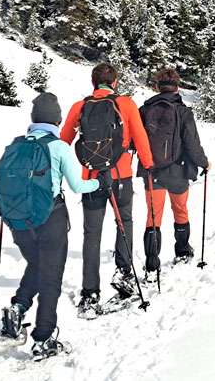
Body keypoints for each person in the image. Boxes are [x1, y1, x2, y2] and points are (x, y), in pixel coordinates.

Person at [0, 93, 106, 360]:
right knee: (51, 277)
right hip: (51, 218)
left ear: (34, 119)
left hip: (19, 220)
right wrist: (100, 183)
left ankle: (19, 306)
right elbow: (78, 185)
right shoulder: (58, 147)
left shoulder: (15, 144)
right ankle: (43, 338)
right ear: (57, 119)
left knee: (36, 264)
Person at [61, 63, 154, 318]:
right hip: (120, 175)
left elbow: (64, 141)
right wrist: (148, 165)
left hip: (91, 178)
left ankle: (89, 293)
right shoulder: (126, 104)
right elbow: (141, 137)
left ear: (94, 83)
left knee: (92, 234)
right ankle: (124, 274)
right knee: (124, 222)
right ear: (114, 82)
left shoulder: (80, 106)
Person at [138, 68, 211, 277]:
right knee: (180, 210)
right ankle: (182, 250)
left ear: (157, 87)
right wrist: (204, 162)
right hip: (178, 171)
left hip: (151, 171)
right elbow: (192, 143)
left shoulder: (144, 109)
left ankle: (152, 264)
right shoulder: (183, 111)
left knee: (153, 216)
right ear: (177, 87)